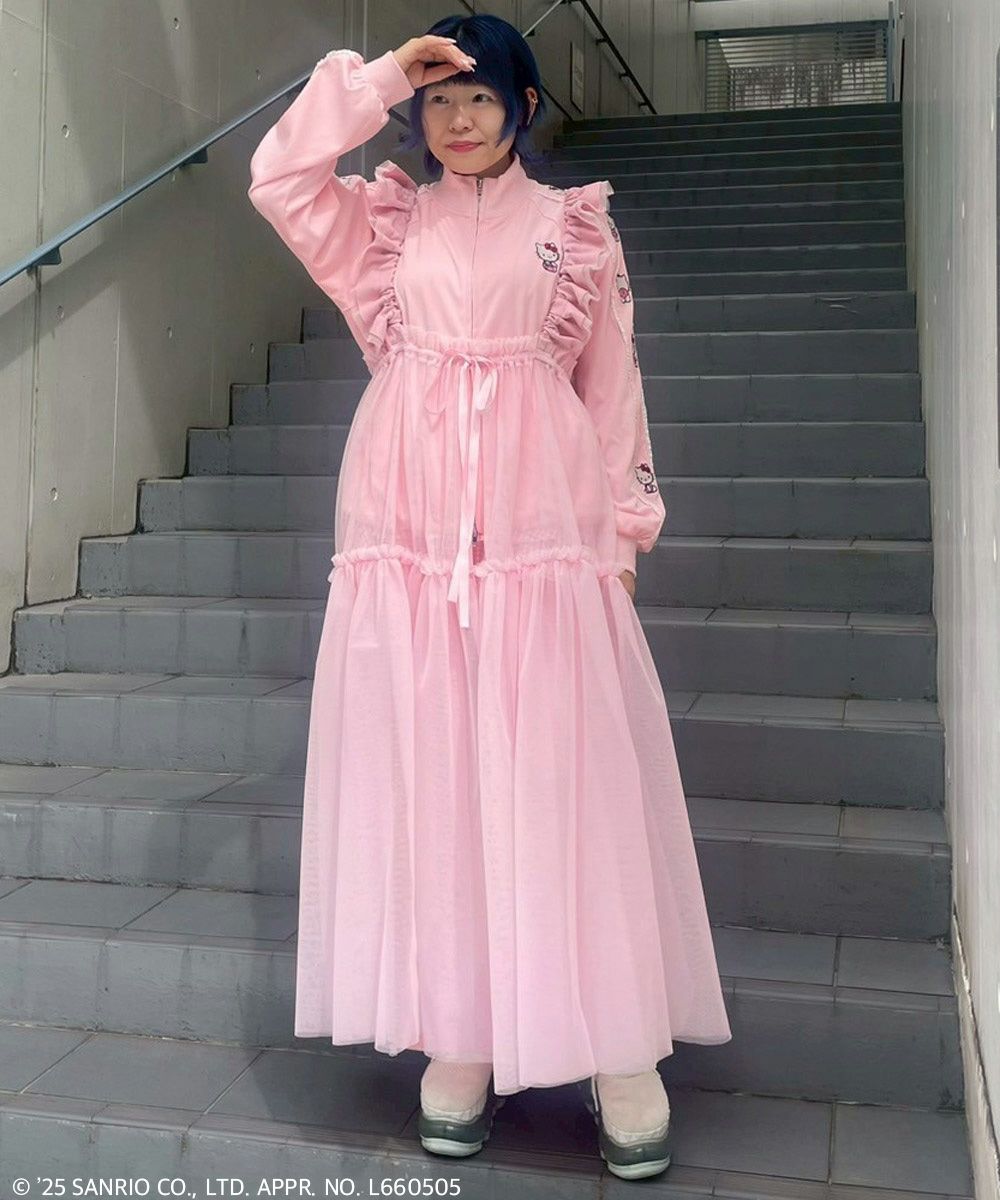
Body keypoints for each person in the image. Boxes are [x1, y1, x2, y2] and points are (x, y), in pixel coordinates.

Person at [247, 12, 732, 1182]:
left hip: (542, 541)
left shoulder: (574, 229)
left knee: (567, 781)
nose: (458, 120)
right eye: (440, 101)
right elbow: (278, 176)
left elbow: (612, 385)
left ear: (523, 108)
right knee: (436, 780)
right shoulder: (384, 224)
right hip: (407, 540)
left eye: (480, 97)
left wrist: (624, 534)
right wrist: (378, 77)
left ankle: (616, 1049)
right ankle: (458, 1037)